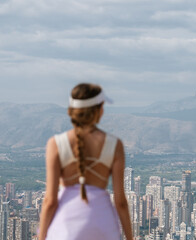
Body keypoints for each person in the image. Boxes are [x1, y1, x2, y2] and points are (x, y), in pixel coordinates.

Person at [39, 83, 133, 240]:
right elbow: (120, 202)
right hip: (103, 224)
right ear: (98, 110)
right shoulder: (114, 145)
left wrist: (41, 237)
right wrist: (130, 237)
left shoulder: (55, 144)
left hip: (65, 226)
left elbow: (50, 201)